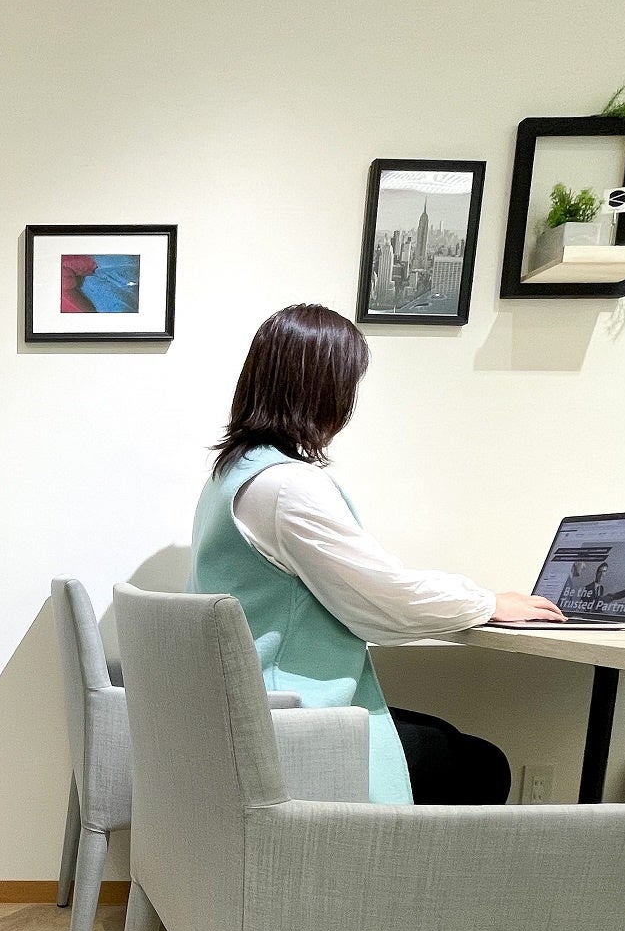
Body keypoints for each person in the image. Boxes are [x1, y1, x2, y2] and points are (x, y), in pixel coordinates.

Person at [189, 302, 563, 804]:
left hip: (244, 713)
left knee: (447, 740)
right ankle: (371, 859)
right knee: (479, 764)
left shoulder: (233, 474)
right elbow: (382, 604)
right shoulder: (286, 487)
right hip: (285, 725)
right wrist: (489, 602)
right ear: (328, 392)